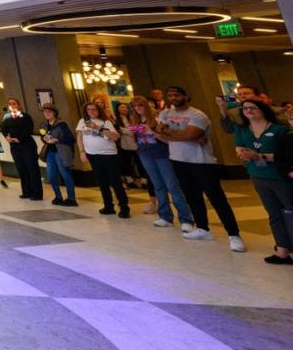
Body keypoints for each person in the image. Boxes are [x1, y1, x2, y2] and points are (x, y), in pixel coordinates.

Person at [157, 86, 244, 251]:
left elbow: (191, 135)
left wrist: (171, 132)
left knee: (217, 199)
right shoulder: (165, 114)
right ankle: (203, 228)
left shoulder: (197, 115)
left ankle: (234, 235)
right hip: (178, 159)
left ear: (185, 96)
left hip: (201, 161)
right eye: (170, 95)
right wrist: (180, 135)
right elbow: (160, 133)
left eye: (177, 95)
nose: (173, 98)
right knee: (192, 197)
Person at [233, 99, 292, 264]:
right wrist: (244, 154)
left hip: (280, 176)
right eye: (245, 108)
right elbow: (239, 149)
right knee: (273, 213)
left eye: (253, 107)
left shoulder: (280, 130)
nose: (249, 110)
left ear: (263, 110)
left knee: (290, 210)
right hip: (258, 175)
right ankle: (282, 250)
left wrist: (260, 156)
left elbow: (285, 156)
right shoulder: (243, 130)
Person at [125, 96, 194, 230]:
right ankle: (165, 216)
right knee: (158, 186)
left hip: (162, 154)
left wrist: (152, 132)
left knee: (172, 186)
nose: (138, 108)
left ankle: (186, 219)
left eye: (140, 105)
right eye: (135, 106)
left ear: (146, 106)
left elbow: (169, 139)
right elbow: (136, 142)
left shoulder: (158, 118)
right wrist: (131, 134)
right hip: (145, 154)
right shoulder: (135, 120)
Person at [76, 101, 128, 217]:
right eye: (89, 109)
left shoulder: (106, 122)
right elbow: (79, 137)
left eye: (94, 109)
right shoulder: (83, 122)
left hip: (109, 155)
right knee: (102, 182)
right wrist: (81, 152)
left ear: (98, 110)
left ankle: (124, 207)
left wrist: (97, 128)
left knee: (115, 182)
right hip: (93, 155)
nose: (91, 112)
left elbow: (115, 137)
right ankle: (108, 206)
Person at [2, 98, 41, 200]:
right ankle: (26, 191)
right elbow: (4, 129)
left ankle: (36, 193)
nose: (12, 105)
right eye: (10, 104)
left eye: (14, 103)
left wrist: (19, 138)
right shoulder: (6, 117)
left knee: (32, 169)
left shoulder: (25, 117)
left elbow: (29, 130)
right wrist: (7, 137)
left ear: (19, 105)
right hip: (15, 147)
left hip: (27, 145)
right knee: (21, 169)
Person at [40, 105, 78, 206]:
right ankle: (58, 196)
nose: (47, 113)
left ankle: (71, 199)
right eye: (45, 112)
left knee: (65, 173)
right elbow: (42, 136)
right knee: (51, 175)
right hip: (50, 152)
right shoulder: (44, 125)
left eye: (49, 111)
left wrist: (57, 140)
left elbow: (71, 139)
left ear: (54, 113)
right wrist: (44, 139)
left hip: (60, 151)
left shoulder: (62, 124)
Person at [113, 102, 144, 190]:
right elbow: (118, 130)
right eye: (122, 107)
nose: (124, 109)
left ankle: (144, 181)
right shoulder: (116, 119)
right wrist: (128, 131)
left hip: (135, 143)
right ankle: (129, 181)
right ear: (118, 109)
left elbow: (138, 128)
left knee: (139, 162)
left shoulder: (132, 117)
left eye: (126, 107)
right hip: (123, 144)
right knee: (126, 163)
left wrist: (130, 130)